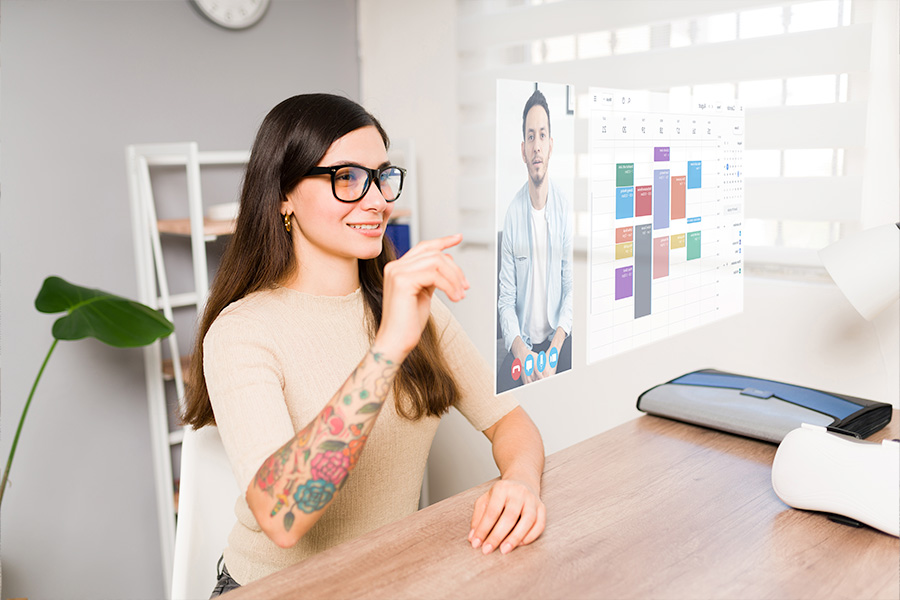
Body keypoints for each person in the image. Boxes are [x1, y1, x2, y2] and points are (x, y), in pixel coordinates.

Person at [181, 93, 546, 596]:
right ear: (283, 195)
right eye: (346, 178)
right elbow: (284, 515)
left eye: (382, 176)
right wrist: (388, 347)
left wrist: (521, 481)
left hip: (387, 580)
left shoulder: (413, 308)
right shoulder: (242, 331)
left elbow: (511, 421)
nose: (377, 200)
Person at [497, 88, 573, 391]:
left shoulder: (566, 210)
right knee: (505, 388)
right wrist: (520, 350)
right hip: (524, 345)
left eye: (542, 135)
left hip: (558, 340)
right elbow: (505, 301)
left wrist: (553, 351)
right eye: (531, 137)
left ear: (551, 145)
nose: (537, 145)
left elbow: (571, 289)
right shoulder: (512, 216)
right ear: (523, 149)